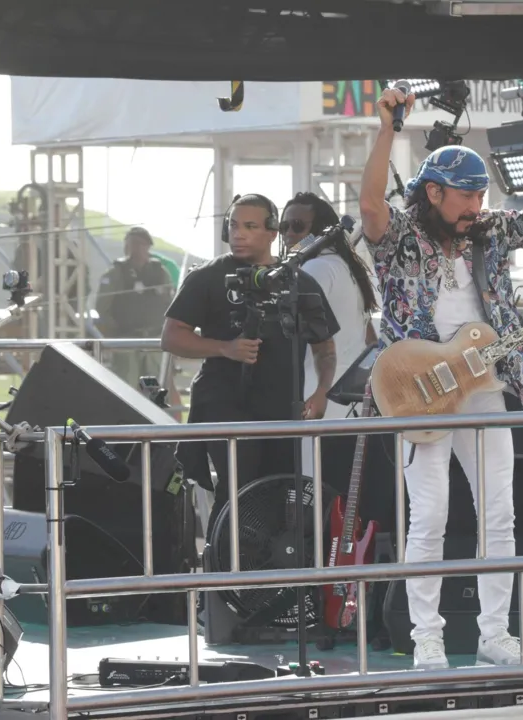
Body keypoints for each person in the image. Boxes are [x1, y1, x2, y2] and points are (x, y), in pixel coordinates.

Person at [359, 85, 523, 668]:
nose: (475, 206)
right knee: (429, 514)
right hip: (420, 389)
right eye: (464, 196)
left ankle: (495, 636)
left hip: (483, 384)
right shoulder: (404, 236)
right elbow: (370, 212)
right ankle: (425, 637)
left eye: (481, 195)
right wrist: (389, 131)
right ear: (432, 192)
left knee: (499, 513)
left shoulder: (489, 232)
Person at [161, 194, 340, 532]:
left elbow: (324, 347)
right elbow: (171, 337)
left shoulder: (300, 282)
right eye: (233, 226)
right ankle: (221, 573)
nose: (238, 234)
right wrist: (224, 348)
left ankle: (269, 578)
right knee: (236, 493)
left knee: (280, 494)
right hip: (225, 405)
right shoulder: (207, 276)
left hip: (282, 408)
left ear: (273, 233)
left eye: (250, 226)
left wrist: (321, 392)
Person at [280, 192, 379, 429]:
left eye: (298, 226)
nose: (289, 234)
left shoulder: (316, 268)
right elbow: (370, 341)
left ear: (320, 230)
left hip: (316, 395)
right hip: (347, 397)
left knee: (310, 466)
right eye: (284, 226)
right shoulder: (346, 267)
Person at [95, 227, 174, 388]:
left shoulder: (160, 272)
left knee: (154, 390)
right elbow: (102, 307)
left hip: (154, 341)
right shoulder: (115, 273)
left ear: (147, 247)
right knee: (127, 388)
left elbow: (171, 305)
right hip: (126, 342)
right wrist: (115, 335)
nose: (135, 248)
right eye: (131, 244)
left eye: (139, 244)